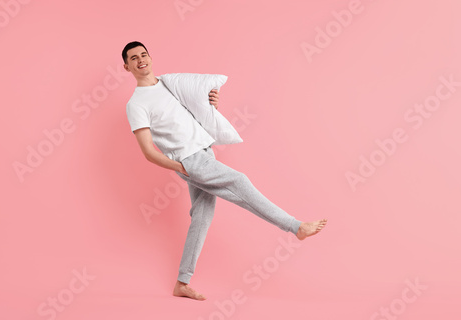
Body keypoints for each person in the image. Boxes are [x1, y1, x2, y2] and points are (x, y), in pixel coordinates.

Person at [122, 41, 328, 301]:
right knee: (239, 180)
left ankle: (182, 282)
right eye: (134, 58)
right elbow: (148, 152)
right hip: (190, 160)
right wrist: (182, 167)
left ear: (150, 57)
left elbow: (190, 115)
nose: (141, 60)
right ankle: (295, 226)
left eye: (144, 54)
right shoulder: (136, 104)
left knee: (202, 215)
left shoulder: (168, 84)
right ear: (126, 66)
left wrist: (210, 105)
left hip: (205, 150)